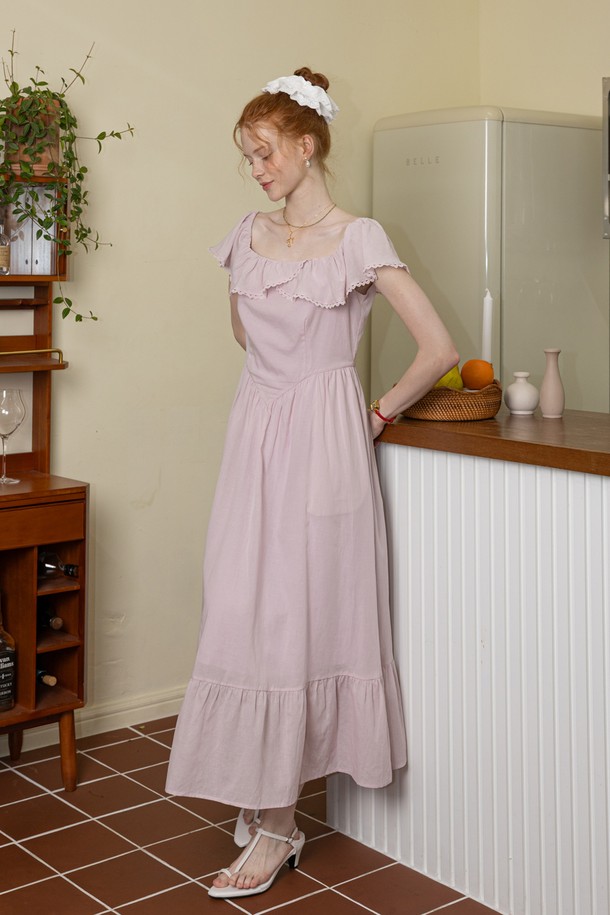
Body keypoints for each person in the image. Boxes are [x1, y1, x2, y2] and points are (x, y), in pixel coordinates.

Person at [166, 67, 458, 899]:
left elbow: (438, 347)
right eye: (248, 155)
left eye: (265, 152)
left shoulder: (358, 238)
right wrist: (282, 389)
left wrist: (377, 411)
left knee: (298, 620)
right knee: (240, 607)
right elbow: (244, 333)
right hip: (255, 437)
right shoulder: (247, 235)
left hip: (326, 447)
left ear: (307, 146)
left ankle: (277, 822)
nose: (256, 169)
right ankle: (263, 792)